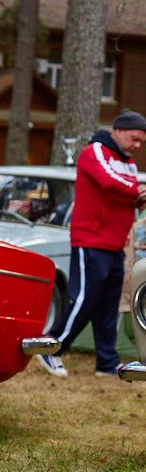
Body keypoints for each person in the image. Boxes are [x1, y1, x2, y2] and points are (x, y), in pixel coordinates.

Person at [38, 109, 146, 377]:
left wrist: (138, 199)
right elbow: (109, 182)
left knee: (108, 304)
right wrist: (137, 191)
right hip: (90, 240)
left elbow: (125, 192)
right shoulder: (94, 151)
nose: (137, 146)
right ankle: (51, 348)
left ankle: (107, 363)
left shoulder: (129, 162)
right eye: (134, 139)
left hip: (115, 243)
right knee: (85, 299)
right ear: (118, 131)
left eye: (141, 142)